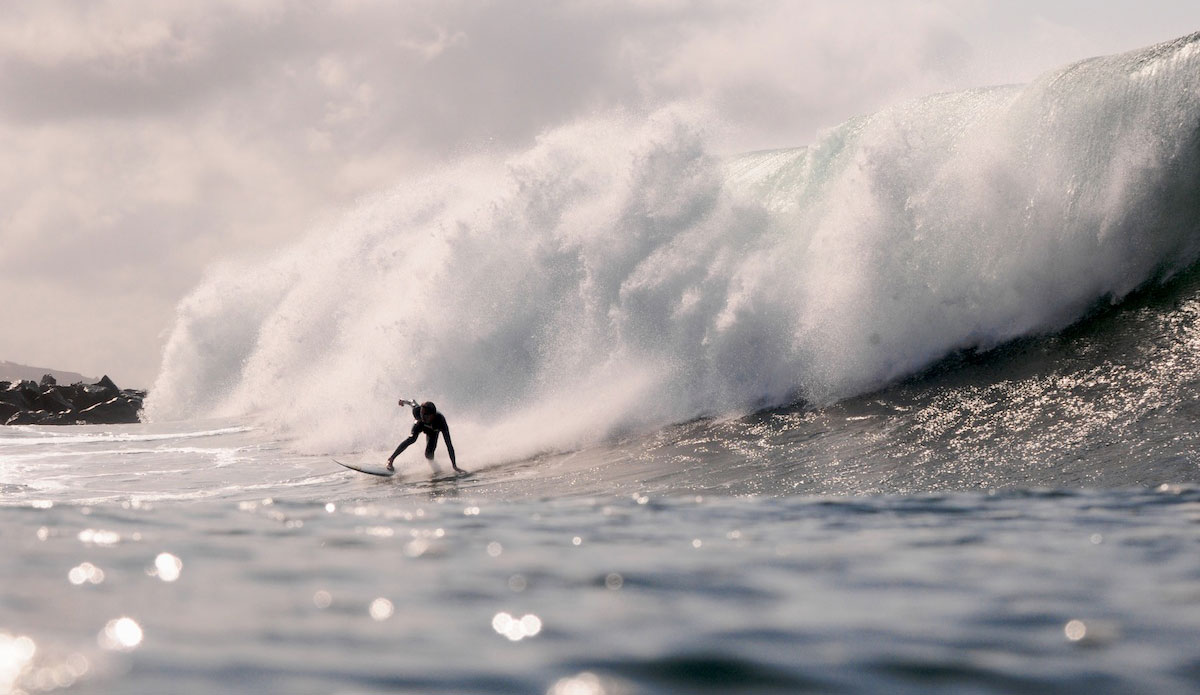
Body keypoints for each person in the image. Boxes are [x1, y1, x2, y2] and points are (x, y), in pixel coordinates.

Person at [387, 400, 462, 473]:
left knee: (428, 455)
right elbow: (412, 402)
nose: (422, 417)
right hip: (419, 425)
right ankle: (391, 459)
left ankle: (436, 469)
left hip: (432, 432)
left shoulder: (440, 421)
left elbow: (449, 444)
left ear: (432, 415)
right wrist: (403, 401)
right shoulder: (417, 411)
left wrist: (454, 466)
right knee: (412, 438)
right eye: (421, 414)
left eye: (425, 415)